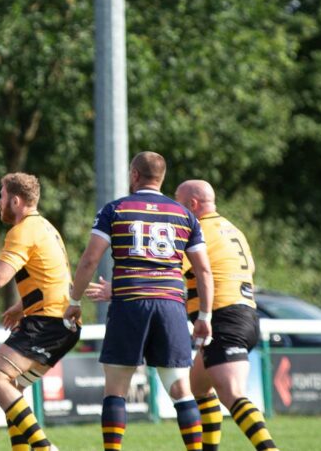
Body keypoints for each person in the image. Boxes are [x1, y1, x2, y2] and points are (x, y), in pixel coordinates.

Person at [64, 152, 214, 451]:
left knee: (116, 388)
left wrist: (75, 300)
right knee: (181, 389)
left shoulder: (115, 209)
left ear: (134, 175)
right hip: (171, 305)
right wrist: (205, 316)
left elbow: (90, 259)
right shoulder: (184, 215)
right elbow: (204, 271)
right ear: (162, 177)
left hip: (130, 303)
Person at [0, 173, 80, 450]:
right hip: (62, 323)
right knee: (12, 389)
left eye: (2, 196)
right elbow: (52, 275)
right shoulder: (46, 227)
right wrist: (22, 307)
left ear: (16, 201)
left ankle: (44, 447)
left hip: (48, 322)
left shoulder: (23, 230)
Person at [175, 180, 277, 451]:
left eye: (178, 201)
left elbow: (170, 269)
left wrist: (123, 287)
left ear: (192, 204)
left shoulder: (195, 230)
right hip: (246, 313)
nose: (175, 207)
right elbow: (250, 267)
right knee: (199, 387)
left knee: (232, 394)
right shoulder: (232, 229)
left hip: (223, 317)